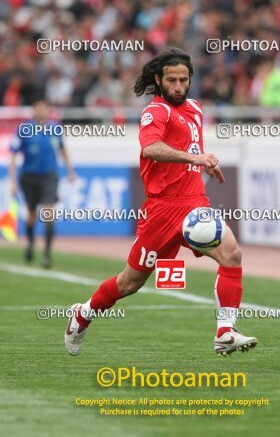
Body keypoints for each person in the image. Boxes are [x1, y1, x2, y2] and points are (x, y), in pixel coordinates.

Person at [64, 48, 258, 356]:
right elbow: (151, 148)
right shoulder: (155, 112)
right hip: (162, 210)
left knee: (232, 254)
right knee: (130, 283)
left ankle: (225, 331)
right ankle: (84, 313)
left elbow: (190, 147)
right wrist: (194, 157)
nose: (179, 86)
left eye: (184, 80)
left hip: (195, 204)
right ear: (159, 79)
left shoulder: (195, 108)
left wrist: (203, 163)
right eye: (172, 80)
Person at [9, 97, 76, 268]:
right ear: (33, 110)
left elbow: (63, 149)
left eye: (45, 108)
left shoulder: (55, 129)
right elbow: (13, 156)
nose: (41, 111)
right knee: (31, 214)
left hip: (49, 176)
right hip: (29, 177)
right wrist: (13, 182)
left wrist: (70, 171)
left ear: (49, 110)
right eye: (38, 107)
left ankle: (47, 254)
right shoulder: (24, 129)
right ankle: (31, 244)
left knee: (48, 213)